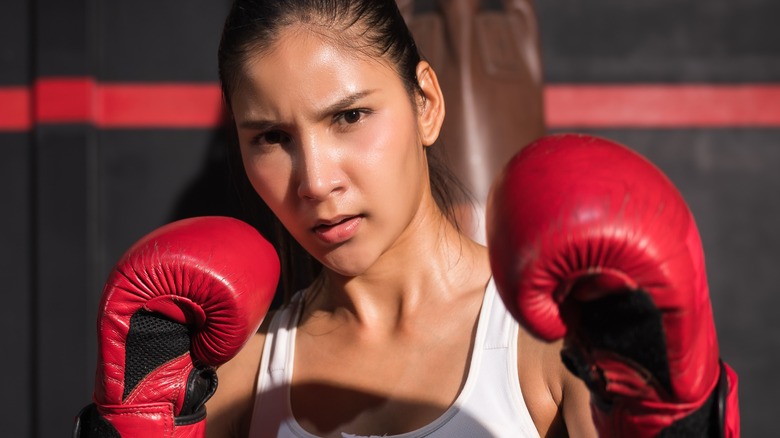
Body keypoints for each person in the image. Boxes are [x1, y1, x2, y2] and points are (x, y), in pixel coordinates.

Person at [206, 0, 595, 436]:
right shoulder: (236, 380)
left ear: (425, 103)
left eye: (349, 116)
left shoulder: (557, 337)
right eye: (272, 137)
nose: (315, 182)